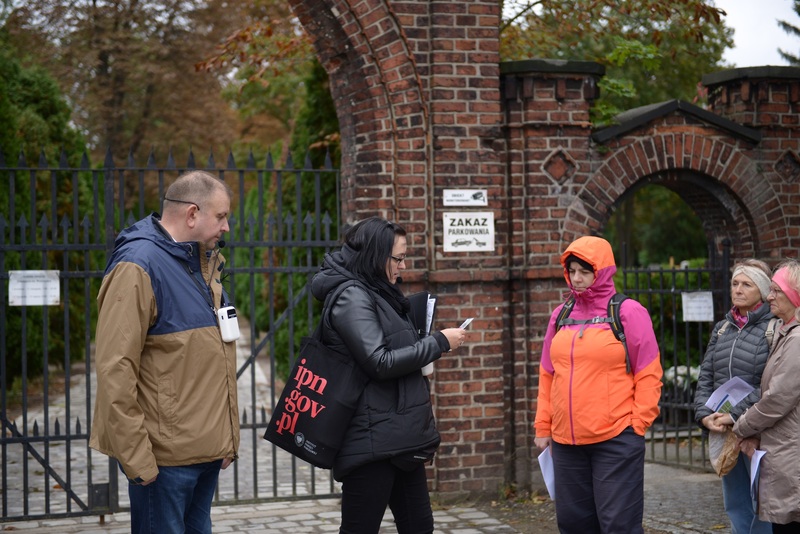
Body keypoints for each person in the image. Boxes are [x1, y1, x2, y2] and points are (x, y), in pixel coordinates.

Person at [90, 170, 240, 534]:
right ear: (192, 214)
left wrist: (227, 438)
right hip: (165, 463)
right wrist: (137, 458)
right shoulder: (138, 265)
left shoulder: (202, 264)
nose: (227, 228)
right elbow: (115, 368)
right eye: (221, 217)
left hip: (205, 453)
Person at [310, 216, 465, 534]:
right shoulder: (351, 297)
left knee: (419, 526)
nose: (403, 266)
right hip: (371, 442)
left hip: (399, 436)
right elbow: (378, 361)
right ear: (375, 256)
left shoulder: (379, 292)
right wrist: (438, 343)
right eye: (398, 258)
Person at [533, 235, 662, 534]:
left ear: (602, 271)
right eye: (572, 271)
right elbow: (547, 374)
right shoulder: (560, 316)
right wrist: (544, 426)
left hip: (615, 440)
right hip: (566, 444)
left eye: (585, 271)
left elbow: (649, 373)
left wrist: (637, 424)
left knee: (618, 526)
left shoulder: (628, 312)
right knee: (574, 525)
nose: (576, 279)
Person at [693, 259, 774, 534]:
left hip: (760, 429)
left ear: (762, 291)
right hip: (725, 430)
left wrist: (736, 414)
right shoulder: (722, 329)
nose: (737, 290)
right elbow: (706, 376)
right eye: (734, 284)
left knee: (762, 500)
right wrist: (704, 415)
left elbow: (775, 386)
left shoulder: (773, 330)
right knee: (735, 500)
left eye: (746, 284)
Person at [733, 260, 800, 532]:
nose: (769, 296)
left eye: (776, 290)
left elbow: (776, 399)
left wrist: (741, 426)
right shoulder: (787, 334)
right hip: (783, 450)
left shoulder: (796, 340)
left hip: (791, 453)